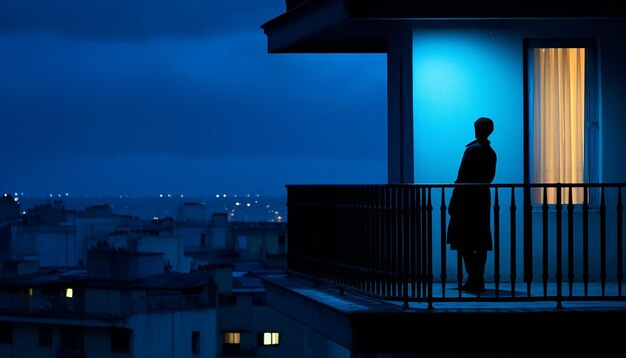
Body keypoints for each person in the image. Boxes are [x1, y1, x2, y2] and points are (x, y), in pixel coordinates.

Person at [447, 117, 497, 293]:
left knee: (464, 240)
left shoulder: (471, 151)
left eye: (476, 128)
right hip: (482, 199)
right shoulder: (491, 153)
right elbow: (490, 178)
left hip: (466, 199)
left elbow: (461, 177)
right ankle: (478, 278)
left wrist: (454, 200)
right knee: (480, 240)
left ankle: (473, 278)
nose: (475, 130)